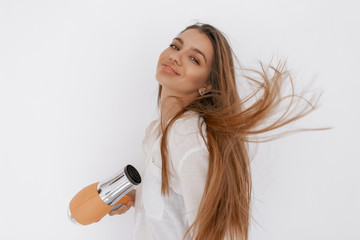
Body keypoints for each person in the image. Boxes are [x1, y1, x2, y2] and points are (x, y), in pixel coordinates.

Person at [108, 22, 326, 240]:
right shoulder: (157, 132)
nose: (176, 57)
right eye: (175, 46)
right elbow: (180, 196)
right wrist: (137, 197)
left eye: (194, 59)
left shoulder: (186, 135)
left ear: (207, 85)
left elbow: (215, 232)